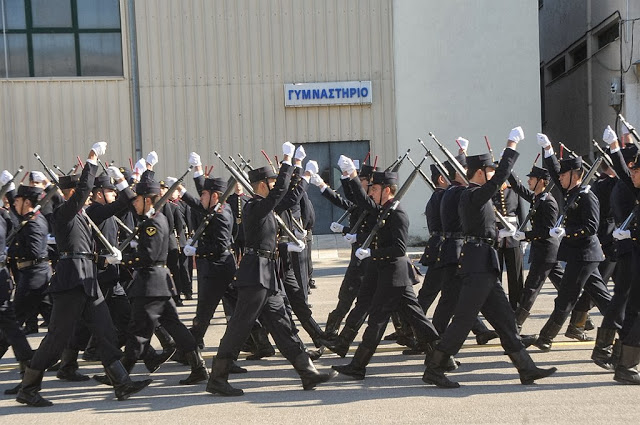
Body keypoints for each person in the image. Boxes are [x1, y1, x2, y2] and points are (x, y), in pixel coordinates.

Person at [15, 143, 151, 407]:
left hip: (87, 279)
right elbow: (74, 248)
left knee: (106, 332)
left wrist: (122, 182)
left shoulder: (84, 215)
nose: (89, 198)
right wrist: (91, 160)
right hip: (70, 283)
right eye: (84, 193)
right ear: (72, 192)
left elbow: (124, 204)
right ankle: (28, 388)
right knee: (56, 338)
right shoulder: (63, 212)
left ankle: (121, 383)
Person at [423, 127, 556, 388]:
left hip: (485, 263)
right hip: (476, 265)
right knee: (462, 321)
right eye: (491, 171)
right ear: (481, 173)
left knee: (506, 321)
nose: (495, 175)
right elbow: (500, 180)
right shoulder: (472, 194)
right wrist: (511, 145)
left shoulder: (475, 195)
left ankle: (526, 369)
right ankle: (435, 368)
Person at [206, 142, 336, 396]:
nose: (277, 186)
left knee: (281, 323)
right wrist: (287, 161)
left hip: (269, 273)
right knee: (240, 326)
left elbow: (288, 197)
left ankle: (307, 372)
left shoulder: (267, 205)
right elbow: (279, 195)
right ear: (264, 184)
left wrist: (300, 172)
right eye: (274, 181)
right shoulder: (254, 206)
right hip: (255, 274)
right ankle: (217, 378)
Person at [331, 166, 440, 379]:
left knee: (377, 320)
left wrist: (371, 250)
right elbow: (362, 202)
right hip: (384, 272)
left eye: (375, 189)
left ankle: (358, 366)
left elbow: (399, 249)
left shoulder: (397, 213)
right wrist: (350, 177)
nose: (371, 192)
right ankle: (443, 356)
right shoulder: (384, 209)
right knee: (417, 318)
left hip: (393, 273)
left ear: (387, 190)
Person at [113, 167, 208, 385]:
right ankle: (198, 366)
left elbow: (148, 256)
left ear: (147, 200)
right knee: (175, 326)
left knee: (137, 332)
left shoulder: (152, 224)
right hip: (159, 283)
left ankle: (120, 377)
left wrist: (124, 258)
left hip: (150, 284)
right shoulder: (154, 218)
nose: (134, 203)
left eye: (137, 200)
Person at [532, 133, 612, 352]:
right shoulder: (571, 191)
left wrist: (566, 231)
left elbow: (591, 227)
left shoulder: (586, 195)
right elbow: (556, 172)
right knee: (602, 297)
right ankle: (625, 329)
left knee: (566, 297)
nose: (560, 178)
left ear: (576, 175)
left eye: (564, 174)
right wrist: (548, 149)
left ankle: (545, 338)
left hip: (585, 254)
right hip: (582, 255)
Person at [508, 165, 563, 332]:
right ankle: (583, 318)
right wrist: (508, 167)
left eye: (531, 179)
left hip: (546, 250)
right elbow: (518, 188)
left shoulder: (548, 202)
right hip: (545, 251)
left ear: (542, 182)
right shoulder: (537, 198)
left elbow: (548, 231)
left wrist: (527, 236)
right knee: (565, 287)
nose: (528, 181)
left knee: (531, 289)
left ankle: (515, 325)